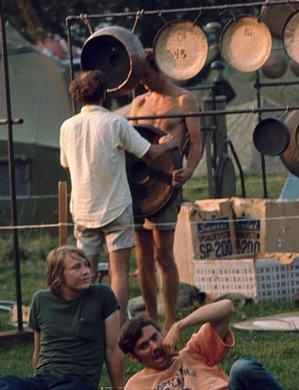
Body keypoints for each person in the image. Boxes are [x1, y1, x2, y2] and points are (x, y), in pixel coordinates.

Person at [59, 70, 178, 318]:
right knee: (119, 271)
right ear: (104, 94)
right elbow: (150, 154)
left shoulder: (67, 126)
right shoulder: (115, 123)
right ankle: (117, 325)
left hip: (83, 209)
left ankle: (88, 321)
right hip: (115, 207)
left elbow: (65, 163)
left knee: (86, 273)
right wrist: (168, 143)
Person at [128, 49, 202, 333]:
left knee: (163, 255)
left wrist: (191, 169)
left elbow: (195, 142)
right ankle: (150, 319)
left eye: (146, 74)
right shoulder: (139, 103)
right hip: (139, 187)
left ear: (160, 69)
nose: (143, 81)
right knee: (141, 256)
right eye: (139, 77)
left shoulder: (185, 99)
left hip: (167, 185)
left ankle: (171, 319)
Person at [0, 246, 125, 390]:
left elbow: (112, 349)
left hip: (77, 382)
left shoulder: (101, 295)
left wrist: (120, 388)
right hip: (44, 380)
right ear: (57, 275)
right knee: (7, 382)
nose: (86, 271)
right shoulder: (41, 300)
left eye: (86, 265)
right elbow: (39, 350)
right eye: (76, 267)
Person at [119, 299, 285, 390]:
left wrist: (179, 325)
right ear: (133, 357)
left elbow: (226, 307)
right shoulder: (135, 385)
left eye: (155, 338)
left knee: (242, 369)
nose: (155, 347)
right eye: (144, 346)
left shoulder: (193, 351)